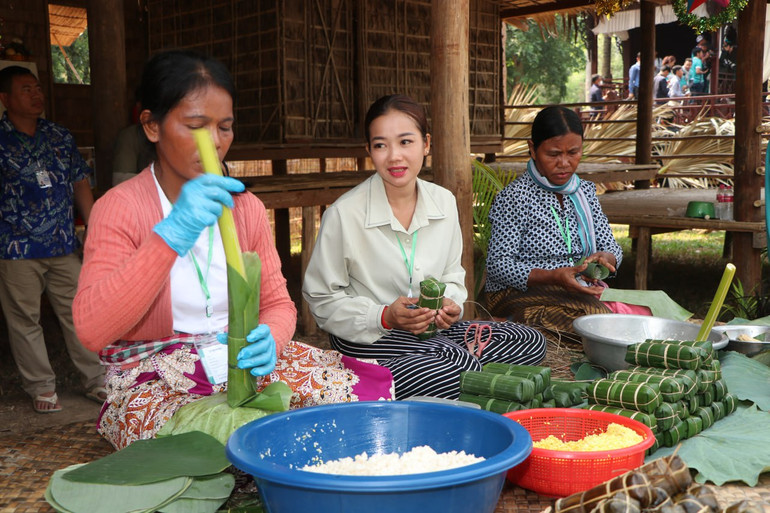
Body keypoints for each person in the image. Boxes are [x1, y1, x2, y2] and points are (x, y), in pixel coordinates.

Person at [73, 50, 393, 449]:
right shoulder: (118, 209)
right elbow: (92, 329)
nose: (215, 142)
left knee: (359, 405)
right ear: (152, 126)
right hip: (155, 376)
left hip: (241, 364)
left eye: (224, 127)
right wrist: (171, 235)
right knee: (198, 448)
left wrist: (271, 339)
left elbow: (278, 304)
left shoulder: (245, 208)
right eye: (195, 125)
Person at [302, 94, 546, 400]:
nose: (394, 156)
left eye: (406, 142)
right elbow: (322, 299)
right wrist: (383, 316)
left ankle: (415, 372)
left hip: (433, 331)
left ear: (425, 144)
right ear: (369, 151)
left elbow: (453, 275)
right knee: (456, 363)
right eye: (380, 145)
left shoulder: (443, 202)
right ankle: (362, 385)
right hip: (371, 335)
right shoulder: (344, 214)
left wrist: (451, 305)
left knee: (529, 341)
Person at [0, 66, 106, 413]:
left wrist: (93, 226)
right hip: (15, 247)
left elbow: (79, 181)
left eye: (37, 87)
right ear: (5, 99)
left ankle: (96, 380)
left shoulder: (59, 136)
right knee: (25, 320)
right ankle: (42, 387)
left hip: (63, 244)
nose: (36, 95)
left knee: (80, 313)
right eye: (25, 89)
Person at [484, 106, 623, 342]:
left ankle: (525, 328)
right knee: (597, 322)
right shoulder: (515, 197)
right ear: (533, 149)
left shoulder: (585, 192)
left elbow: (612, 247)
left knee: (643, 311)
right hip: (517, 291)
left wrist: (606, 259)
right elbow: (498, 265)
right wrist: (553, 277)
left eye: (573, 152)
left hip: (572, 289)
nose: (564, 163)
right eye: (553, 154)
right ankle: (512, 325)